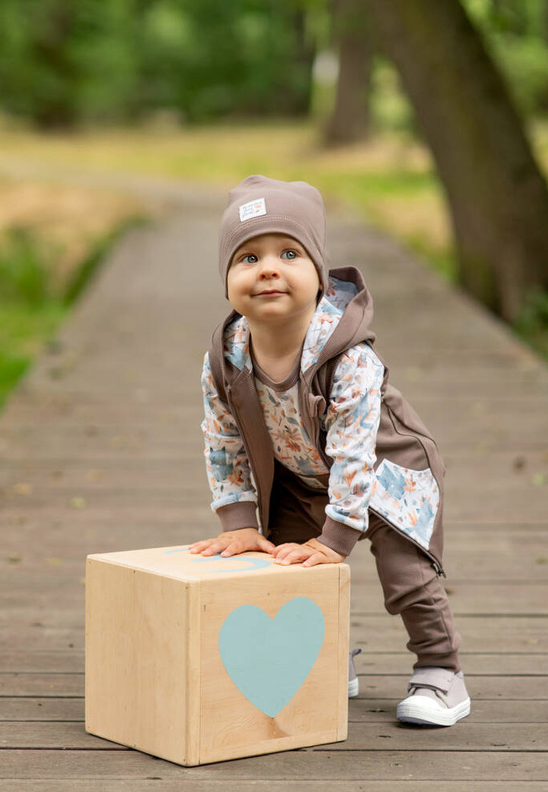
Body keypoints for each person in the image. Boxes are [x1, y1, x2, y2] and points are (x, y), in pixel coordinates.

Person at [189, 175, 470, 727]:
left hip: (388, 471)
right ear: (226, 281)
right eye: (247, 257)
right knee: (290, 564)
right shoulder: (225, 359)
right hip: (302, 473)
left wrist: (337, 536)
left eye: (289, 253)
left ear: (318, 273)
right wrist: (240, 519)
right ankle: (322, 660)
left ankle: (441, 671)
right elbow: (222, 436)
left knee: (404, 576)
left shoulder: (348, 358)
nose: (268, 267)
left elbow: (356, 451)